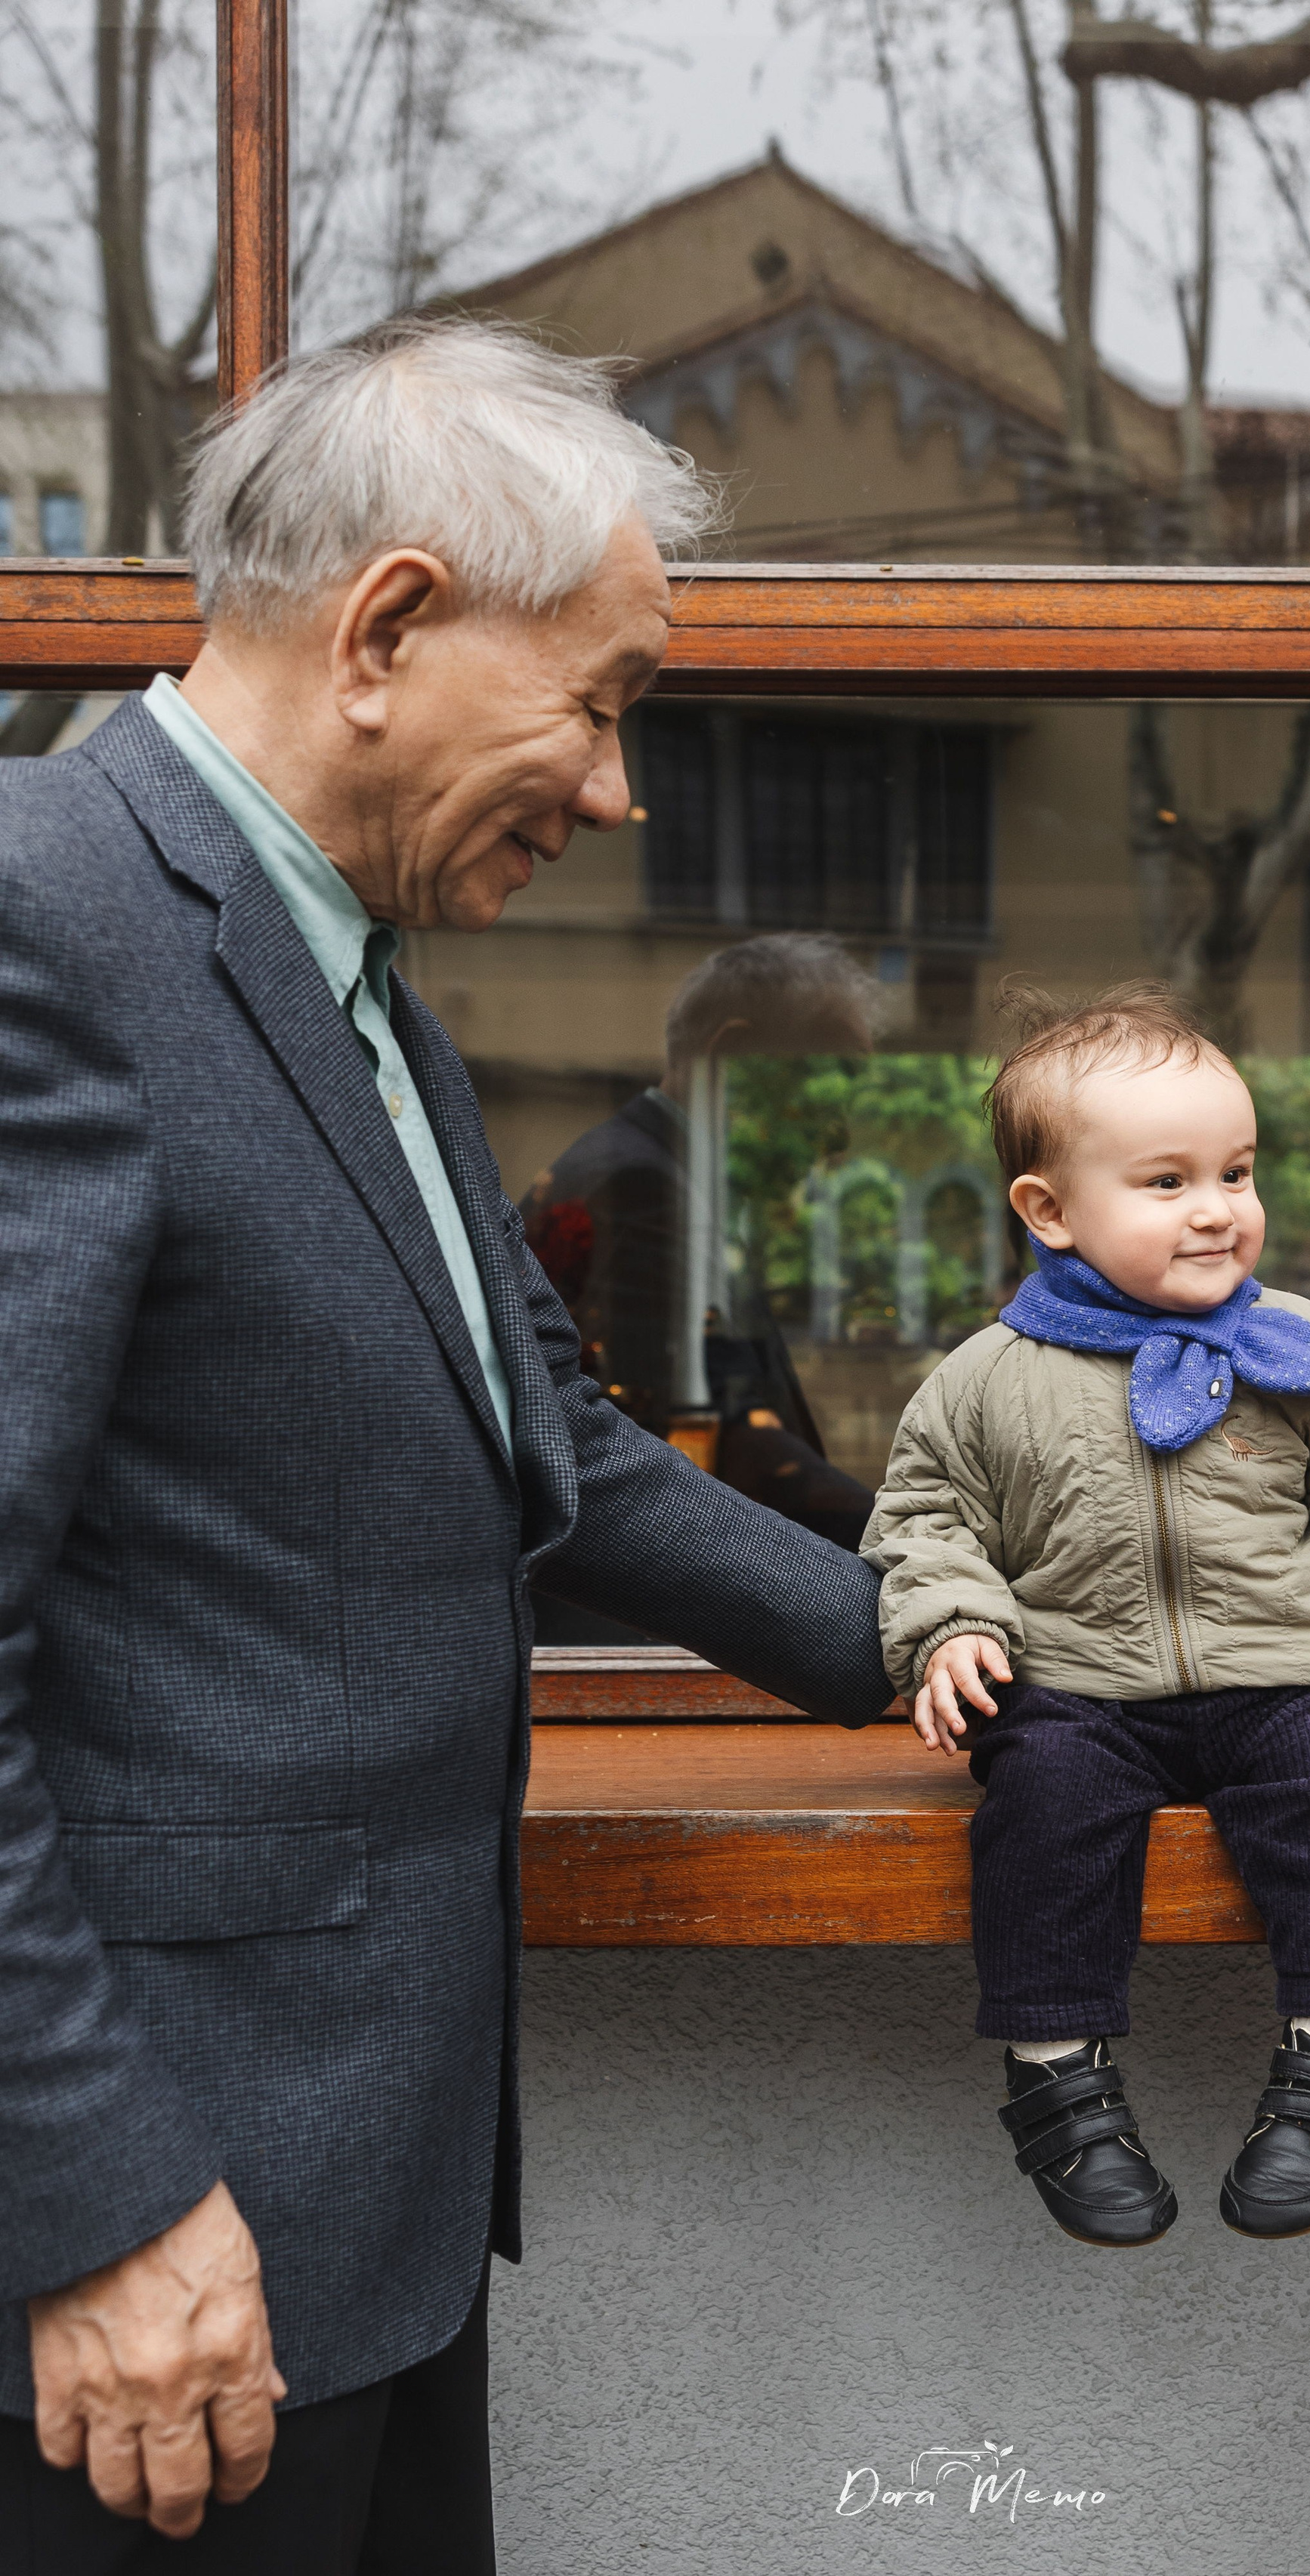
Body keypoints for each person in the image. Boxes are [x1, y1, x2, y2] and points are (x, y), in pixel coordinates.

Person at [0, 318, 892, 2569]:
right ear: (387, 624)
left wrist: (960, 1639)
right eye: (600, 700)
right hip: (149, 2258)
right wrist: (94, 2199)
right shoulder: (46, 916)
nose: (616, 787)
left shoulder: (354, 973)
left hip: (356, 2206)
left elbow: (559, 1454)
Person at [862, 985, 1310, 2250]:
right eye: (1166, 1182)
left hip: (1279, 1679)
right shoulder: (987, 1380)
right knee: (1038, 1817)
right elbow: (925, 1516)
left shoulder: (1304, 1351)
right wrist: (951, 1629)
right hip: (1078, 1688)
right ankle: (1060, 2075)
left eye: (1236, 1171)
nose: (1218, 1207)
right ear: (1049, 1212)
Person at [521, 934, 879, 1564]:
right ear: (732, 1055)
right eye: (827, 1084)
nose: (838, 1134)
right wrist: (910, 1546)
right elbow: (708, 1443)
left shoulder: (666, 1175)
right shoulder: (642, 1186)